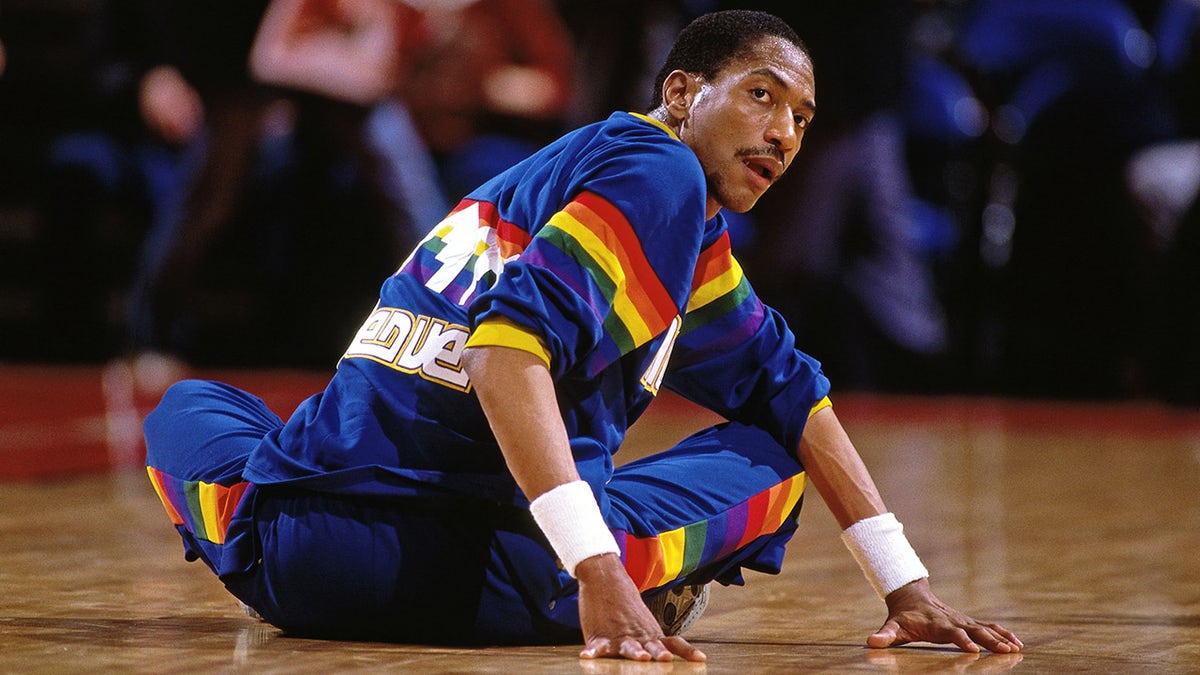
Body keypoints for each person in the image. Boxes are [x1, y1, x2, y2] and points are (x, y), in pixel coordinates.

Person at [143, 10, 1022, 662]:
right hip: (486, 576)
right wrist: (598, 571)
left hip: (295, 558)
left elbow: (785, 382)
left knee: (188, 409)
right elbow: (502, 353)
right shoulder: (662, 170)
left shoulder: (556, 185)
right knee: (775, 466)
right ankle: (624, 573)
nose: (785, 133)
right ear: (680, 94)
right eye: (764, 96)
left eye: (802, 117)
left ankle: (259, 518)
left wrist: (907, 584)